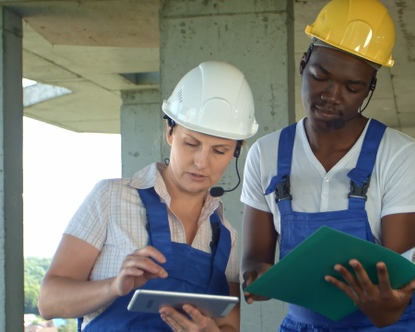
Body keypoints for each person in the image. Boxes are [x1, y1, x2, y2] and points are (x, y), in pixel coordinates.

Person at [240, 0, 415, 330]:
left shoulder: (398, 154)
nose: (332, 95)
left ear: (369, 88)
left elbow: (396, 284)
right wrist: (258, 279)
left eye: (352, 87)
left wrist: (387, 307)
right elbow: (254, 259)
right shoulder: (265, 153)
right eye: (320, 77)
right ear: (303, 64)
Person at [38, 60, 258, 332]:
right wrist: (114, 286)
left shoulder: (226, 237)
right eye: (191, 143)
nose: (202, 162)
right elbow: (49, 301)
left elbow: (228, 326)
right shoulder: (110, 198)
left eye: (219, 151)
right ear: (170, 132)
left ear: (236, 151)